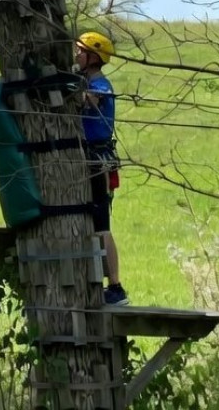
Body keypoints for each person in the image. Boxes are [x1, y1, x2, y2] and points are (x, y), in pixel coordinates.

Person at [75, 30, 128, 307]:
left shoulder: (101, 85)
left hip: (97, 161)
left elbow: (90, 100)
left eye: (81, 52)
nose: (77, 56)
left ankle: (116, 287)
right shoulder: (88, 81)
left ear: (93, 57)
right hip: (88, 159)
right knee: (91, 224)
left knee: (101, 227)